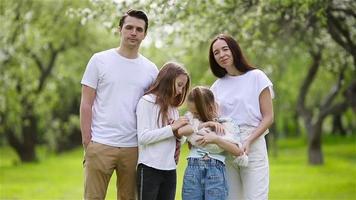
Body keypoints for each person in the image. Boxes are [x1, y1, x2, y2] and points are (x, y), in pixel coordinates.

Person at [80, 9, 158, 200]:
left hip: (134, 148)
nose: (134, 32)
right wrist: (87, 141)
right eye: (129, 27)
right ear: (120, 29)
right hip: (100, 144)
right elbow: (86, 103)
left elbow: (155, 109)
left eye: (139, 29)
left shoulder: (151, 69)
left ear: (145, 34)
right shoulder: (99, 60)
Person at [208, 33, 274, 200]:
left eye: (225, 49)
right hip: (228, 148)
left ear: (234, 50)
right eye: (216, 53)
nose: (222, 55)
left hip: (253, 145)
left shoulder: (257, 77)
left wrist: (249, 141)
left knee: (256, 197)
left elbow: (268, 117)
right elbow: (214, 121)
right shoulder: (216, 87)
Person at [179, 86, 246, 200]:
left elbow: (238, 151)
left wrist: (216, 139)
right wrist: (204, 124)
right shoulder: (193, 121)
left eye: (197, 113)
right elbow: (180, 131)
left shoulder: (226, 123)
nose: (194, 116)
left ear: (209, 108)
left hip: (215, 171)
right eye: (192, 112)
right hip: (193, 170)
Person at [136, 62, 190, 200]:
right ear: (168, 80)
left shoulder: (173, 109)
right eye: (179, 85)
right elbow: (143, 137)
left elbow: (177, 139)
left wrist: (180, 134)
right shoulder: (146, 102)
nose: (180, 91)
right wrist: (172, 128)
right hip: (149, 168)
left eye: (183, 87)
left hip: (170, 169)